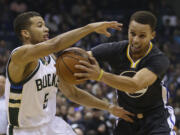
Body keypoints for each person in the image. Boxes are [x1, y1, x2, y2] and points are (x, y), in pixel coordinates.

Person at [5, 11, 134, 135]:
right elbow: (55, 44)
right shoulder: (19, 56)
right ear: (26, 33)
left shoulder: (51, 59)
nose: (46, 29)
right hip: (26, 130)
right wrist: (89, 28)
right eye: (40, 26)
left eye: (45, 25)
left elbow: (74, 94)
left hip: (51, 126)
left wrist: (109, 107)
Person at [73, 11, 176, 135]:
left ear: (152, 35)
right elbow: (79, 57)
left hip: (156, 119)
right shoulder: (115, 49)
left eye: (142, 36)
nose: (136, 40)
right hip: (126, 118)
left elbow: (135, 85)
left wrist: (100, 75)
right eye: (132, 34)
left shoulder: (159, 59)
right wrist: (89, 29)